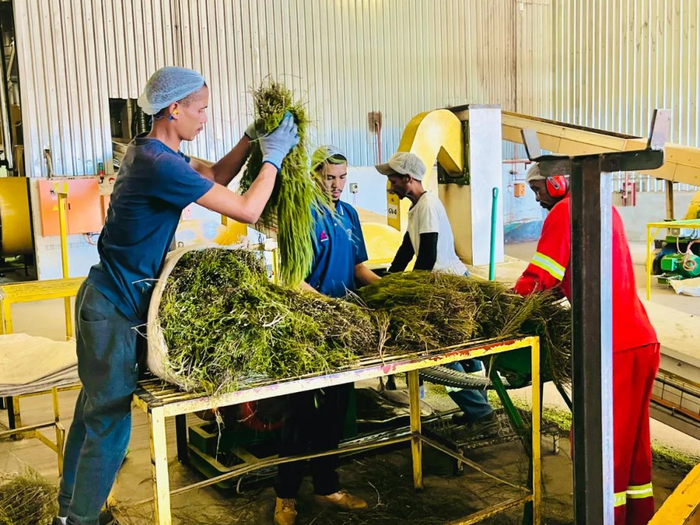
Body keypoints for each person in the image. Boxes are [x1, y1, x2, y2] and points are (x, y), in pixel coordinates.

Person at [55, 67, 299, 525]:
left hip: (106, 300)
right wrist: (274, 157)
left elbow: (217, 176)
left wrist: (249, 140)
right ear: (174, 108)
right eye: (201, 109)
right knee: (107, 423)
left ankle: (71, 512)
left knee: (92, 414)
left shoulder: (153, 152)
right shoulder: (160, 164)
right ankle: (79, 520)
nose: (205, 118)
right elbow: (247, 210)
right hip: (112, 309)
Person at [514, 163, 659, 525]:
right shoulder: (603, 206)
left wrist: (508, 304)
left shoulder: (565, 211)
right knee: (633, 446)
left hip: (611, 347)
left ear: (556, 182)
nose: (537, 199)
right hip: (640, 340)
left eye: (538, 190)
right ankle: (638, 517)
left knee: (600, 449)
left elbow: (540, 277)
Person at [273, 146, 379, 525]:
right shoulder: (301, 215)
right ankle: (285, 496)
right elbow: (291, 278)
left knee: (336, 410)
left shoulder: (349, 214)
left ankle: (327, 486)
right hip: (308, 328)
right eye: (329, 177)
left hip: (343, 330)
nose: (336, 185)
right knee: (300, 412)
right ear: (314, 175)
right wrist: (328, 307)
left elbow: (359, 268)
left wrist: (389, 290)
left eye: (342, 177)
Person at [376, 152, 498, 436]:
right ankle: (479, 411)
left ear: (408, 179)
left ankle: (482, 414)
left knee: (444, 357)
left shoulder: (428, 205)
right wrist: (388, 278)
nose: (391, 185)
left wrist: (410, 292)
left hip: (446, 287)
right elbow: (408, 247)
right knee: (463, 354)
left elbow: (428, 255)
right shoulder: (417, 207)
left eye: (393, 180)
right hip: (441, 283)